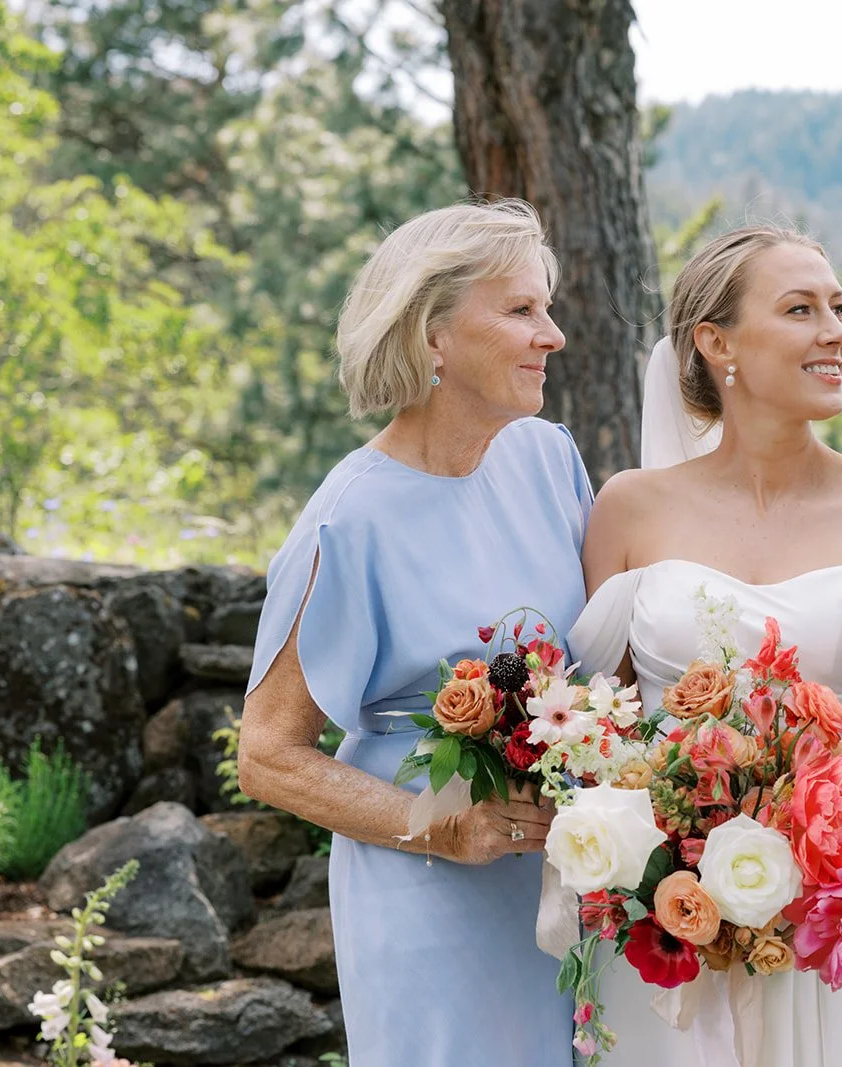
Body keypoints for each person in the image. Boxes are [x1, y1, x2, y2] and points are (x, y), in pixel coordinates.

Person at [567, 224, 842, 1067]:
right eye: (801, 309)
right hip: (676, 945)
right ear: (715, 341)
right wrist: (675, 855)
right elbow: (598, 744)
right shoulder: (627, 511)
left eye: (839, 307)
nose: (836, 331)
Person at [239, 200, 589, 1067]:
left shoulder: (549, 460)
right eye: (520, 310)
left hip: (568, 888)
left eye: (546, 307)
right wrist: (443, 824)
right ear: (431, 335)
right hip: (429, 896)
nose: (553, 335)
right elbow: (268, 753)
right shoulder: (349, 520)